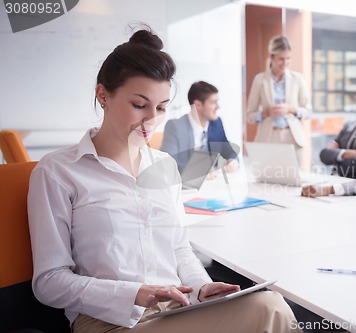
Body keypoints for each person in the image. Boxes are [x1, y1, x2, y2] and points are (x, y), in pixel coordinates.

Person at [27, 28, 301, 333]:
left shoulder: (165, 166)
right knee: (270, 311)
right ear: (103, 95)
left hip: (178, 311)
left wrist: (201, 288)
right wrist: (134, 293)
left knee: (270, 304)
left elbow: (179, 250)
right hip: (111, 323)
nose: (151, 120)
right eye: (139, 105)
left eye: (161, 107)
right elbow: (49, 282)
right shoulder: (58, 171)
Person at [247, 35, 311, 165]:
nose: (285, 63)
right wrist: (265, 113)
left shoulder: (297, 79)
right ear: (271, 57)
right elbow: (250, 115)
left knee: (293, 182)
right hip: (268, 138)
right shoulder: (260, 80)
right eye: (281, 59)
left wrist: (291, 109)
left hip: (292, 137)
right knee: (266, 180)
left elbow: (308, 111)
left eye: (288, 58)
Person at [160, 81, 239, 173]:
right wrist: (199, 172)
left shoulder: (216, 123)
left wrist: (233, 161)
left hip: (213, 183)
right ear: (198, 105)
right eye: (214, 102)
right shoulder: (175, 126)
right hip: (186, 186)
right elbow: (168, 164)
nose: (218, 106)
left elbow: (229, 150)